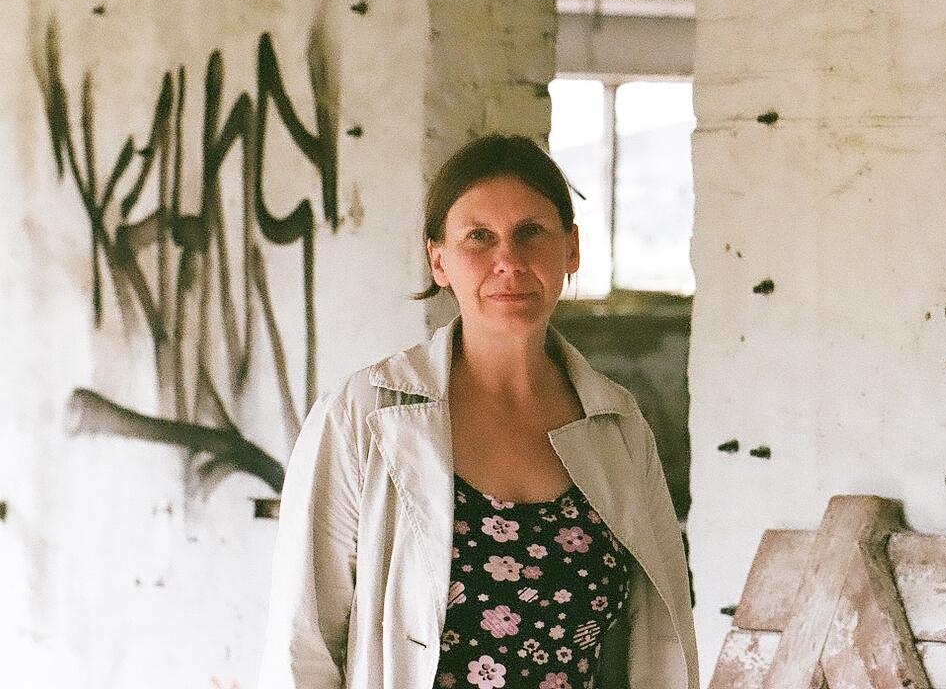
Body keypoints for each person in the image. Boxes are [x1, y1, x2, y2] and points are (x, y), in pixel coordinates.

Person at [259, 134, 698, 689]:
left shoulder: (618, 427)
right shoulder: (361, 418)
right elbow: (302, 652)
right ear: (438, 260)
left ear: (571, 249)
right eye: (479, 237)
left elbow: (659, 638)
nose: (508, 260)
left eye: (531, 231)